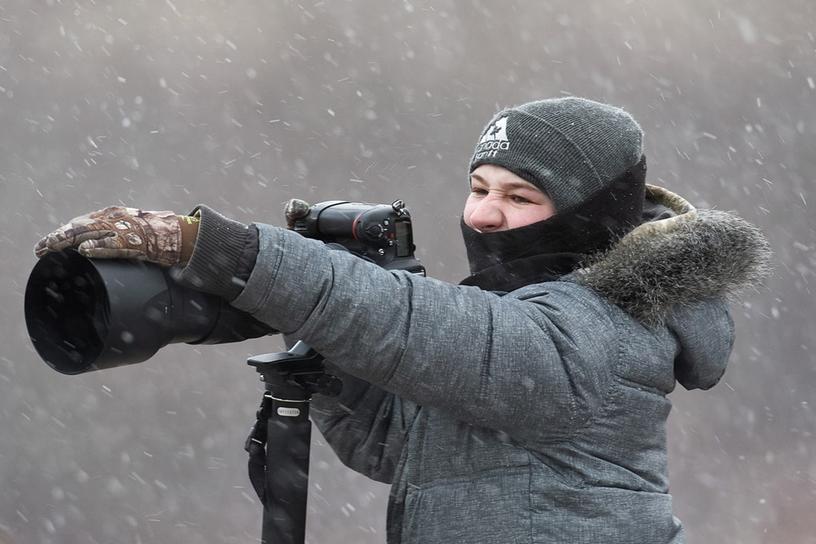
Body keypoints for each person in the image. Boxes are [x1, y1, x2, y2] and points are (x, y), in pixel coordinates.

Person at [34, 97, 772, 543]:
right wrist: (311, 325)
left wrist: (224, 253)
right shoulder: (515, 328)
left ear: (588, 213)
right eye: (479, 187)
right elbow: (399, 445)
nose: (485, 213)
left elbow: (419, 331)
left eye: (520, 197)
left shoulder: (604, 336)